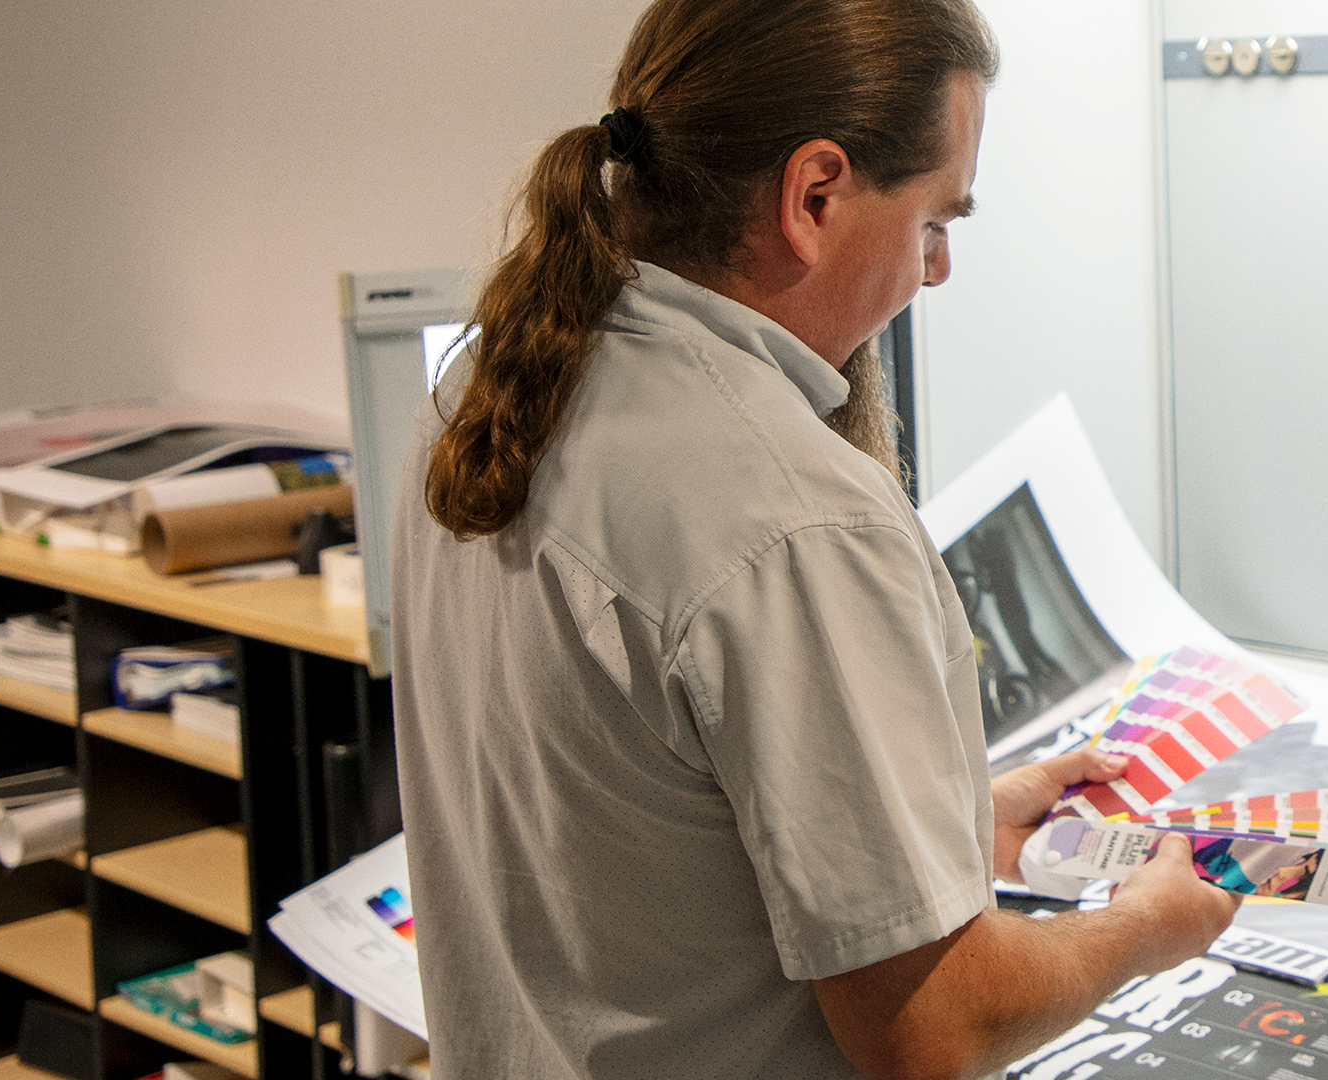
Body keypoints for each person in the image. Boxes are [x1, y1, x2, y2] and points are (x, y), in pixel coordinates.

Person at [390, 1, 1240, 1077]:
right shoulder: (794, 515)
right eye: (935, 223)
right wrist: (1141, 930)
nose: (936, 274)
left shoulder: (486, 384)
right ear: (816, 195)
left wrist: (937, 825)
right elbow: (934, 1030)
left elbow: (628, 822)